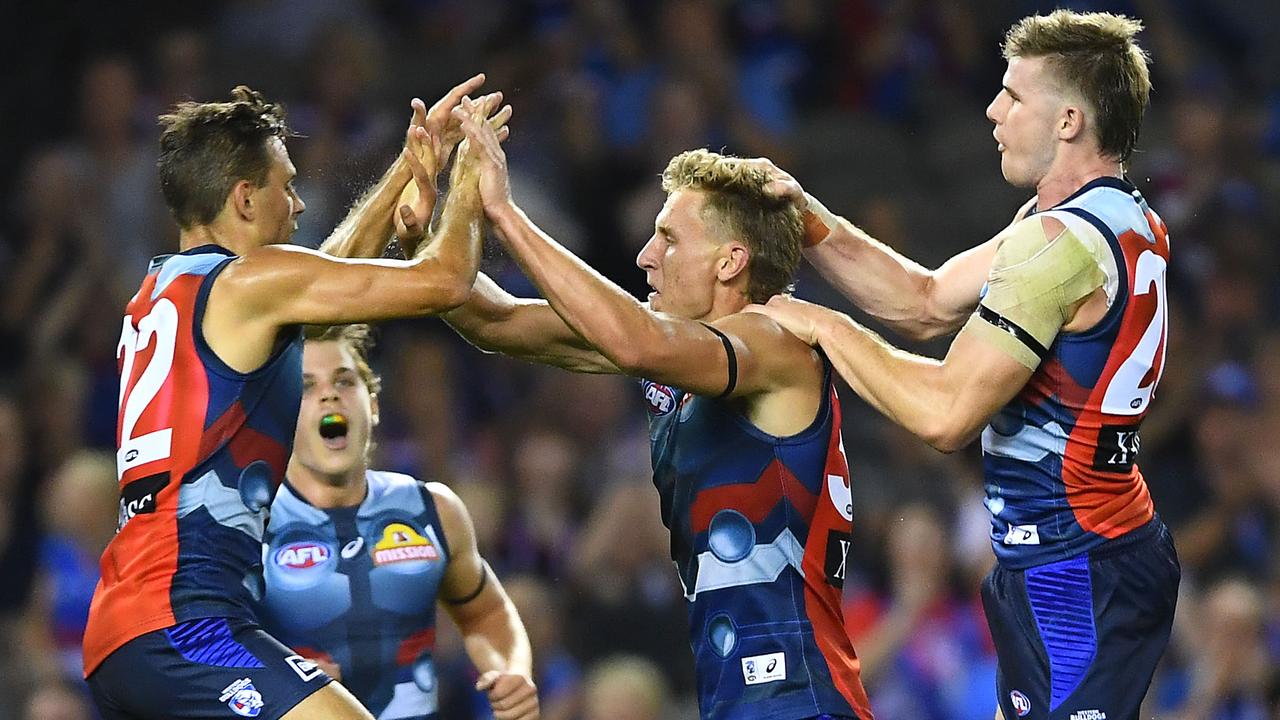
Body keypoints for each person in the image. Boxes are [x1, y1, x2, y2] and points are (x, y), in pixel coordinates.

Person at [747, 10, 1180, 720]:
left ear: (1069, 119)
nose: (992, 109)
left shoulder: (1056, 245)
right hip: (1087, 550)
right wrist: (808, 220)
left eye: (1013, 95)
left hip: (1073, 568)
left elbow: (946, 415)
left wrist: (818, 323)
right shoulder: (1117, 218)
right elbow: (924, 300)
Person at [83, 77, 508, 720]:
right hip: (186, 621)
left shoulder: (165, 293)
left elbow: (330, 278)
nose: (300, 205)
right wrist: (473, 172)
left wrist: (407, 169)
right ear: (245, 198)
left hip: (126, 627)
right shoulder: (247, 284)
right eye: (287, 185)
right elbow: (445, 281)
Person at [436, 109, 874, 720]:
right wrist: (444, 208)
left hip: (802, 699)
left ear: (730, 262)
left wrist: (507, 214)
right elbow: (495, 321)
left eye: (668, 238)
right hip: (737, 699)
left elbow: (635, 341)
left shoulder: (776, 342)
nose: (645, 256)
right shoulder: (674, 357)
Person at [258, 325, 538, 720]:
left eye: (344, 380)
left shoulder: (432, 510)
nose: (329, 394)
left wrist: (512, 671)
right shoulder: (248, 527)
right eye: (305, 387)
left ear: (372, 404)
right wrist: (279, 686)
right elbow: (199, 659)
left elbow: (487, 614)